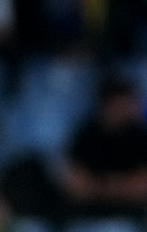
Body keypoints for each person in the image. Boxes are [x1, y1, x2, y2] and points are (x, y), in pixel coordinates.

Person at [62, 75, 147, 217]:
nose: (125, 108)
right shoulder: (85, 135)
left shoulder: (140, 137)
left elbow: (142, 185)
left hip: (132, 212)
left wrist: (101, 186)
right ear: (106, 104)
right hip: (88, 212)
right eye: (119, 102)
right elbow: (76, 184)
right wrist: (120, 186)